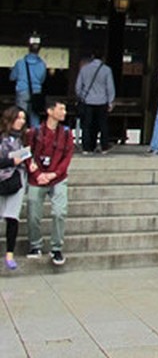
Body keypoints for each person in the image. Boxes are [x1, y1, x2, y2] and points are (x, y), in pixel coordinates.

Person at [25, 98, 74, 267]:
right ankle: (35, 244)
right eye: (61, 109)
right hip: (37, 177)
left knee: (60, 211)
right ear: (50, 111)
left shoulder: (67, 133)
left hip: (57, 177)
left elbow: (67, 157)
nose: (64, 112)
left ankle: (57, 247)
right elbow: (27, 153)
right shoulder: (34, 132)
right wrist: (37, 173)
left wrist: (54, 174)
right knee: (33, 211)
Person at [0, 106, 30, 270]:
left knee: (12, 217)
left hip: (17, 179)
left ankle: (10, 253)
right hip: (2, 177)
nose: (21, 121)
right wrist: (12, 161)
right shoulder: (2, 138)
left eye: (23, 118)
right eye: (18, 118)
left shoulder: (23, 138)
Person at [75, 50, 115, 154]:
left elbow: (78, 87)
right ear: (103, 58)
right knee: (103, 125)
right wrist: (110, 101)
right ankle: (104, 146)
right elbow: (110, 88)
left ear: (92, 56)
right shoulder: (107, 70)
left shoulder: (84, 69)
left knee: (87, 125)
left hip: (88, 101)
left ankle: (86, 148)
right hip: (102, 101)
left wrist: (82, 97)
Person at [10, 35, 47, 127]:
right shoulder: (42, 64)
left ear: (28, 48)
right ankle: (34, 138)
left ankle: (22, 137)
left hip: (22, 91)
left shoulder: (20, 63)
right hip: (36, 92)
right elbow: (42, 80)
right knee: (35, 118)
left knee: (21, 117)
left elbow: (12, 77)